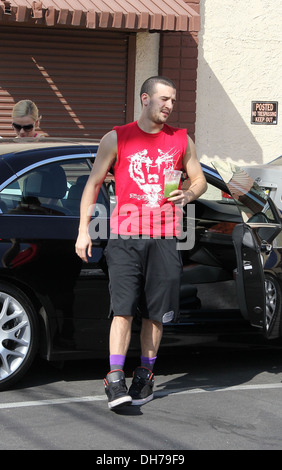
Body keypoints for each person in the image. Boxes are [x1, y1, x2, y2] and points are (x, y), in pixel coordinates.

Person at [75, 76, 207, 411]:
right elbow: (92, 185)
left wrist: (189, 193)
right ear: (145, 98)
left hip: (164, 237)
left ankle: (145, 377)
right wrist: (83, 230)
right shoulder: (116, 138)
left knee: (155, 313)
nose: (169, 106)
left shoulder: (181, 140)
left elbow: (200, 179)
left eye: (173, 100)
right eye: (164, 99)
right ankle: (115, 376)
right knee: (122, 310)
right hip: (124, 235)